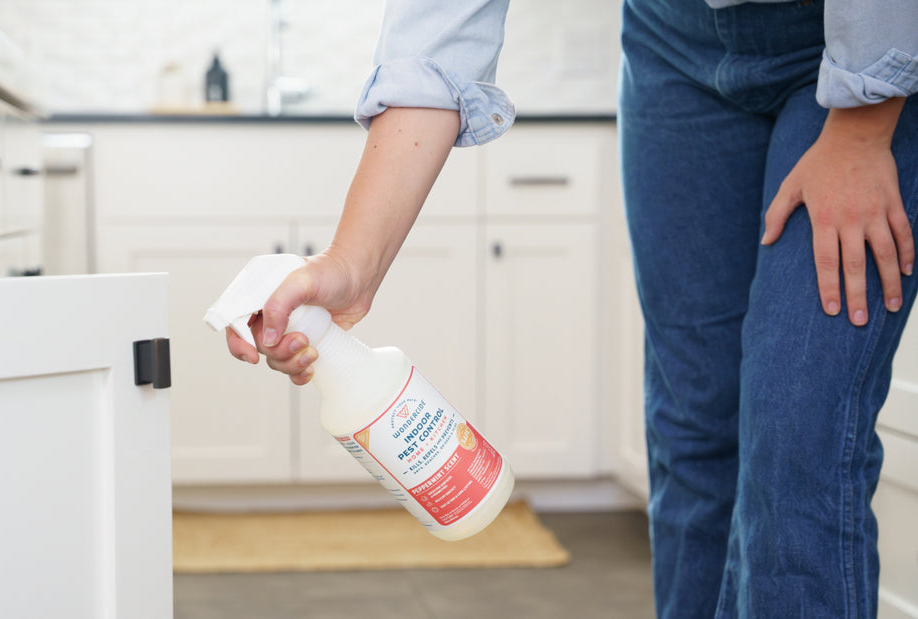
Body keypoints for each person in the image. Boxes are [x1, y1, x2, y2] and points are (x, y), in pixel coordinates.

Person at [222, 1, 918, 616]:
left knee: (797, 429)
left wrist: (862, 127)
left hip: (854, 34)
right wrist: (351, 263)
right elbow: (439, 25)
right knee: (694, 424)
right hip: (672, 39)